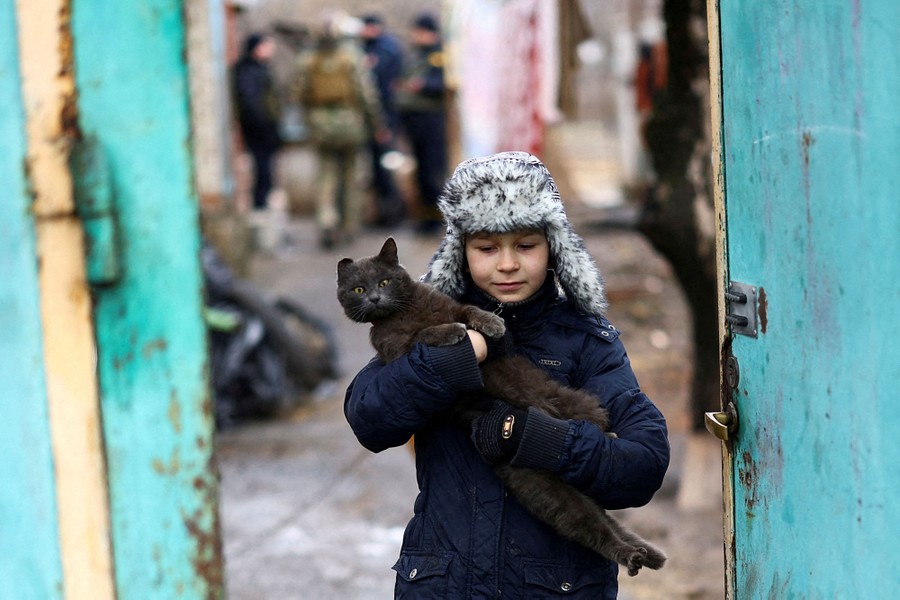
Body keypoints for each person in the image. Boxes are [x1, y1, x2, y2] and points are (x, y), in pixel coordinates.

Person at [344, 151, 670, 598]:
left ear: (554, 247)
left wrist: (541, 439)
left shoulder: (586, 339)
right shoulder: (417, 321)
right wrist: (459, 354)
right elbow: (369, 416)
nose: (507, 264)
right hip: (444, 587)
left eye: (526, 245)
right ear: (461, 252)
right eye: (487, 248)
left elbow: (643, 465)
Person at [293, 13, 387, 249]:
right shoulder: (352, 57)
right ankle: (349, 226)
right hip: (350, 122)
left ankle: (327, 221)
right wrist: (377, 123)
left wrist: (309, 119)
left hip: (320, 123)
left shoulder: (306, 60)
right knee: (351, 175)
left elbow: (298, 94)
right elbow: (366, 94)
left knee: (325, 175)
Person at [395, 13, 448, 234]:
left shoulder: (439, 55)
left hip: (431, 120)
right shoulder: (416, 56)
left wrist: (424, 84)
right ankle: (425, 217)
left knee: (432, 169)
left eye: (419, 32)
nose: (415, 36)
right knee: (420, 171)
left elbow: (444, 82)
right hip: (414, 120)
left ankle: (436, 218)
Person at [359, 14, 406, 228]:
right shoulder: (371, 48)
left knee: (385, 168)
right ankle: (384, 213)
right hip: (376, 118)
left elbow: (383, 89)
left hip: (384, 118)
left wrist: (383, 125)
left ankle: (393, 215)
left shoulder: (386, 50)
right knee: (378, 169)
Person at [233, 33, 282, 210]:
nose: (271, 50)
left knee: (266, 170)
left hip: (265, 129)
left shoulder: (260, 68)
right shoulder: (248, 70)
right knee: (261, 169)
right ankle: (259, 205)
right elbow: (250, 103)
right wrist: (263, 125)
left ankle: (263, 204)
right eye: (267, 45)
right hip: (258, 130)